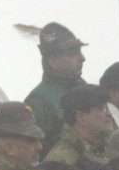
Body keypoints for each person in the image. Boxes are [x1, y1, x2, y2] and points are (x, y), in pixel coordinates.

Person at [24, 22, 88, 152]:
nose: (82, 58)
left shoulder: (84, 88)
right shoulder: (38, 101)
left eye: (80, 51)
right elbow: (34, 153)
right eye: (73, 53)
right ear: (53, 61)